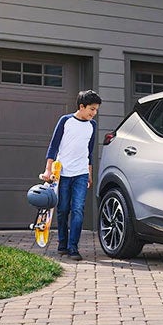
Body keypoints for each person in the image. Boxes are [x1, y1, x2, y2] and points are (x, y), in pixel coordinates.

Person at [41, 90, 101, 260]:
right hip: (63, 173)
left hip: (81, 173)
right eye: (92, 109)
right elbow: (53, 146)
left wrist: (89, 174)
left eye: (96, 110)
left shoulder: (92, 125)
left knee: (78, 210)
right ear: (81, 106)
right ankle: (62, 244)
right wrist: (48, 170)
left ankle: (73, 247)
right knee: (63, 209)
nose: (94, 113)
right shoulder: (65, 121)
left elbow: (89, 152)